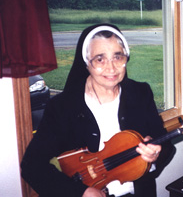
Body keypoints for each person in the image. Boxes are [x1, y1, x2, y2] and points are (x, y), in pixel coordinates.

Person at [21, 24, 175, 197]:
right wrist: (80, 192)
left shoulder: (140, 93)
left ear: (126, 59)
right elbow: (32, 166)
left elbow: (166, 145)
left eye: (118, 57)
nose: (111, 68)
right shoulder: (62, 107)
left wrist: (154, 157)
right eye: (100, 59)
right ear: (86, 63)